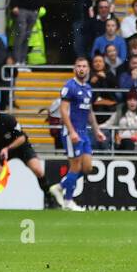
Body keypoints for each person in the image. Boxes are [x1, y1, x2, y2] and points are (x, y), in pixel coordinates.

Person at [0, 99, 49, 207]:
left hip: (20, 147)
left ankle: (49, 198)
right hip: (2, 151)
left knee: (38, 170)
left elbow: (22, 138)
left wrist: (8, 148)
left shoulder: (8, 119)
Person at [55, 56, 104, 211]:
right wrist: (72, 132)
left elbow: (89, 111)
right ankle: (68, 201)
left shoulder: (88, 88)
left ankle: (61, 186)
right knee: (75, 166)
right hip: (72, 132)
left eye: (84, 66)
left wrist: (96, 130)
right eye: (79, 66)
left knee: (87, 167)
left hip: (84, 132)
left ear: (88, 69)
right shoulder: (69, 86)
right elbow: (63, 110)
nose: (81, 69)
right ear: (74, 69)